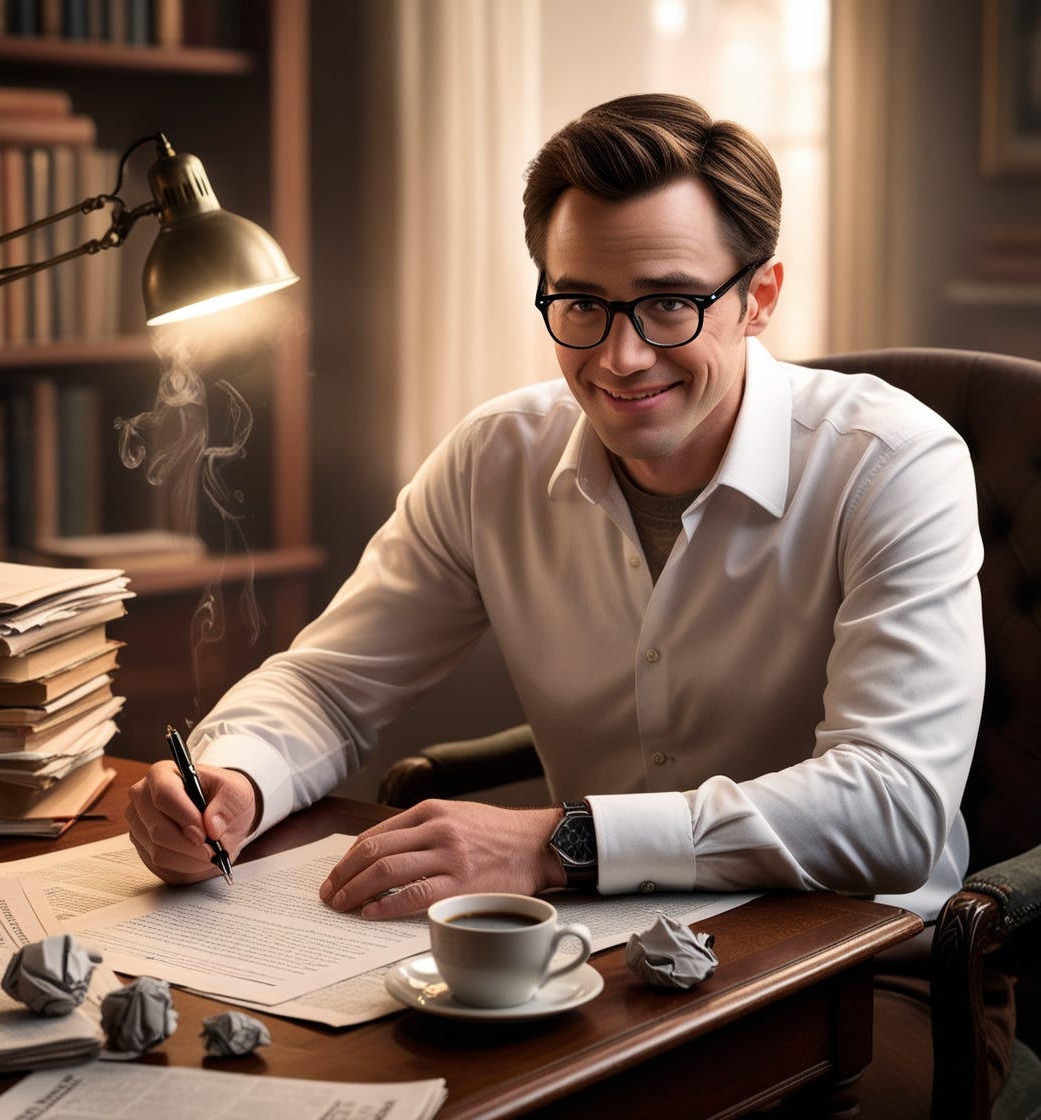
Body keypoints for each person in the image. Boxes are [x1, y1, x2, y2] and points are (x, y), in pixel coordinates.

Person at [126, 94, 999, 1113]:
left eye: (668, 303)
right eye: (579, 302)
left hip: (866, 969)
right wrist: (235, 774)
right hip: (585, 956)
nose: (619, 358)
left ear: (759, 296)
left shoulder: (893, 464)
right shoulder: (497, 455)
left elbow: (888, 808)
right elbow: (328, 685)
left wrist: (556, 841)